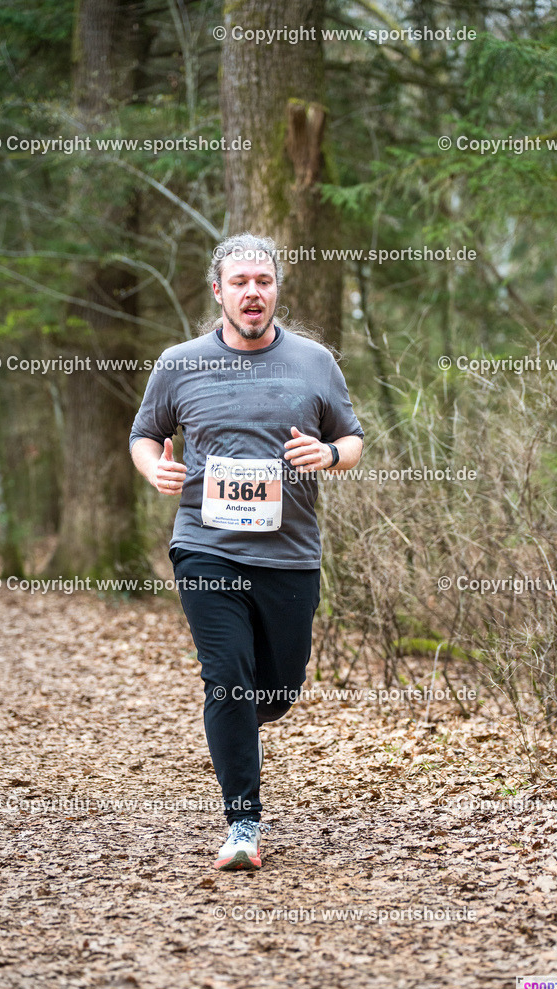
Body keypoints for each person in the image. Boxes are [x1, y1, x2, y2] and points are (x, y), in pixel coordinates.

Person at [130, 233, 364, 870]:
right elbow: (145, 435)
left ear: (276, 290)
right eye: (240, 282)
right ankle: (242, 824)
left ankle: (234, 725)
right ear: (218, 291)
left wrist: (330, 456)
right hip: (206, 549)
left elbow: (352, 439)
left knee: (278, 691)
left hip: (290, 555)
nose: (252, 293)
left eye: (262, 281)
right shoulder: (179, 363)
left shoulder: (316, 362)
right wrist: (156, 471)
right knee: (227, 679)